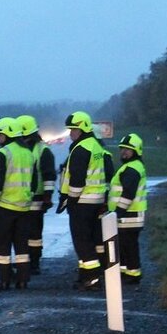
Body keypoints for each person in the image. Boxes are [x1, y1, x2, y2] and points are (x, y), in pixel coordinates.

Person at [56, 110, 108, 290]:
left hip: (82, 202)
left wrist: (71, 200)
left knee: (82, 241)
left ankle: (92, 278)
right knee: (90, 239)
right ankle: (85, 275)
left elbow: (77, 179)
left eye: (73, 130)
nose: (71, 133)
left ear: (83, 129)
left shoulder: (81, 149)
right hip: (96, 200)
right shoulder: (95, 146)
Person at [0, 117, 37, 289]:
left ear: (8, 134)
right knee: (22, 245)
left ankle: (5, 279)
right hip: (24, 207)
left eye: (0, 135)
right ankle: (23, 279)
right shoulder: (28, 153)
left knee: (3, 245)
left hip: (6, 207)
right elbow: (34, 181)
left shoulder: (2, 154)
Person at [17, 115, 56, 274]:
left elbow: (49, 176)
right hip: (20, 199)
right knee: (22, 233)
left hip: (36, 198)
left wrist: (47, 196)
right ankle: (25, 261)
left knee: (34, 234)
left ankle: (34, 262)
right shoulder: (22, 149)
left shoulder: (42, 150)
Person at [108, 133, 148, 286]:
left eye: (128, 149)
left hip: (128, 216)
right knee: (126, 246)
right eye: (122, 149)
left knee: (129, 246)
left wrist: (117, 212)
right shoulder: (132, 166)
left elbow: (128, 194)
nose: (123, 152)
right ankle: (127, 273)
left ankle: (133, 274)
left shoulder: (131, 169)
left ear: (136, 151)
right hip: (130, 215)